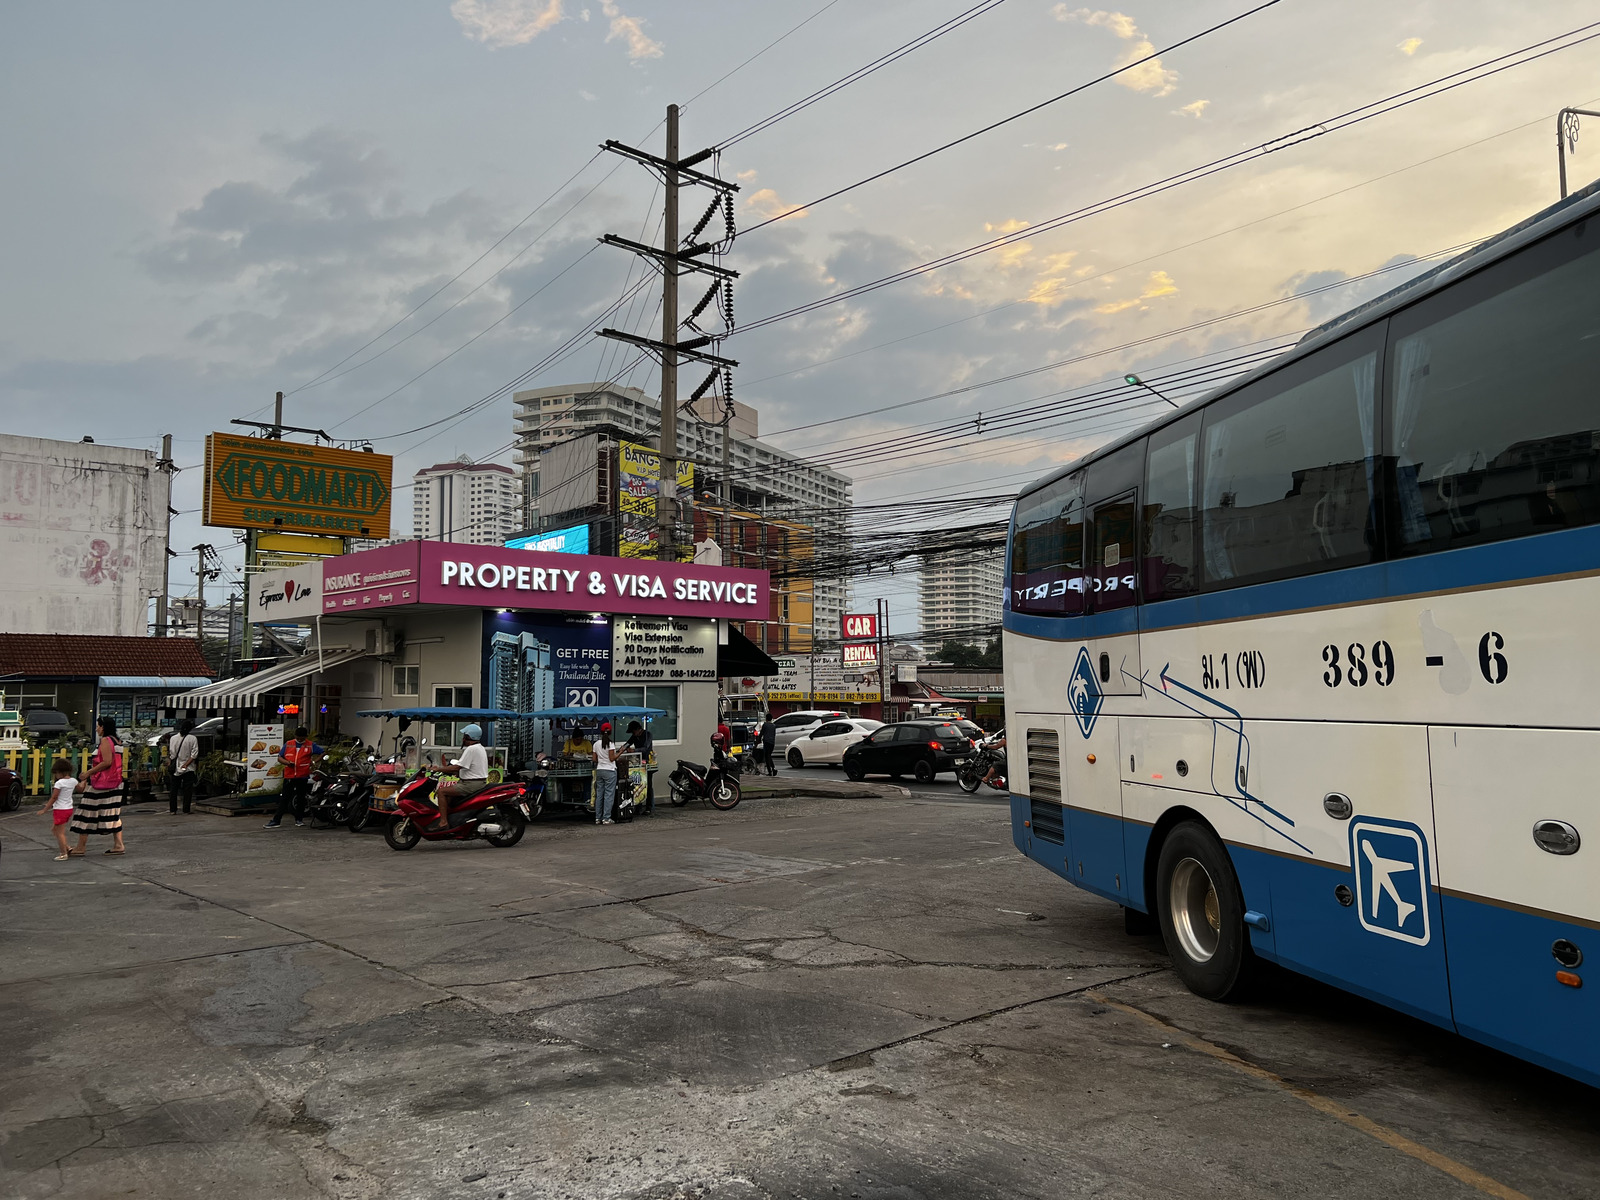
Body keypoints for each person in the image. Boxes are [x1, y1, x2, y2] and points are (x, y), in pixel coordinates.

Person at [70, 715, 125, 856]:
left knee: (86, 812)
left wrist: (88, 773)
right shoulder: (117, 740)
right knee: (112, 813)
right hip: (115, 782)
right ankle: (118, 845)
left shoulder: (106, 740)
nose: (97, 728)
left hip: (101, 783)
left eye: (98, 726)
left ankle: (80, 847)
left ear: (103, 727)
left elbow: (106, 762)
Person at [266, 726, 324, 829]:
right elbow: (280, 757)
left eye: (302, 738)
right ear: (295, 736)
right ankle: (276, 820)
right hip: (290, 775)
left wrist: (314, 762)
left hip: (302, 775)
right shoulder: (289, 744)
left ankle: (299, 819)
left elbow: (323, 752)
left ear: (305, 737)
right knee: (284, 798)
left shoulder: (310, 745)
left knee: (301, 798)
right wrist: (288, 763)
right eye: (298, 737)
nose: (300, 740)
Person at [436, 723, 489, 825]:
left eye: (464, 736)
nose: (462, 738)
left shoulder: (471, 749)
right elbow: (467, 767)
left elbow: (457, 766)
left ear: (468, 736)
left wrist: (438, 769)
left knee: (441, 792)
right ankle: (454, 820)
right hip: (477, 782)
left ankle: (443, 822)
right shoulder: (480, 748)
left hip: (470, 784)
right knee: (449, 796)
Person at [38, 758, 80, 861]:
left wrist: (45, 809)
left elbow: (54, 797)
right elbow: (80, 789)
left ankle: (63, 853)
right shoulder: (73, 781)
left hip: (60, 809)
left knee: (60, 833)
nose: (56, 775)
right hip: (68, 808)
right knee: (55, 829)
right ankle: (67, 848)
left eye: (56, 773)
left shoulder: (59, 783)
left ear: (60, 772)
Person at [592, 722, 623, 826]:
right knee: (609, 795)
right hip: (610, 770)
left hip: (600, 770)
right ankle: (606, 818)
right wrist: (620, 752)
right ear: (610, 732)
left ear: (601, 732)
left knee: (599, 794)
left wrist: (601, 760)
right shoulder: (610, 744)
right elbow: (612, 758)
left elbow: (594, 759)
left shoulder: (596, 744)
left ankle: (598, 818)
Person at [170, 719, 200, 815]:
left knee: (174, 789)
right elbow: (194, 755)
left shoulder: (173, 738)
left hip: (176, 767)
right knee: (188, 789)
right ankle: (186, 809)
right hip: (189, 768)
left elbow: (172, 755)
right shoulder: (192, 738)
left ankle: (173, 810)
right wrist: (186, 764)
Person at [625, 720, 655, 813]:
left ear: (638, 730)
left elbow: (646, 748)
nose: (633, 734)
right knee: (637, 785)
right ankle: (638, 806)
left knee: (648, 785)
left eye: (634, 732)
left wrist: (634, 750)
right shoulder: (634, 736)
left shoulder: (648, 735)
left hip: (647, 761)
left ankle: (649, 807)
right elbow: (627, 743)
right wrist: (621, 750)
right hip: (638, 763)